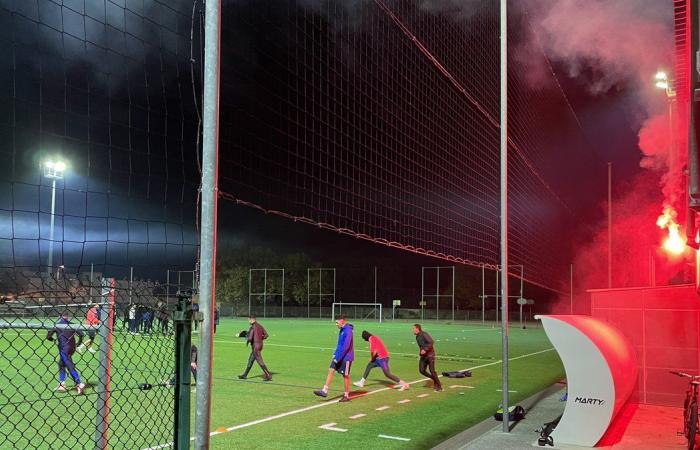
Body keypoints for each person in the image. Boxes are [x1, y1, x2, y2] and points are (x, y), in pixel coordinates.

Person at [314, 315, 354, 402]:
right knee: (331, 369)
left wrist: (338, 358)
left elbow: (346, 347)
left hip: (346, 358)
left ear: (342, 321)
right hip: (339, 356)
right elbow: (339, 344)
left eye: (337, 322)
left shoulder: (348, 331)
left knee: (345, 376)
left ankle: (346, 396)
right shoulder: (342, 330)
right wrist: (335, 354)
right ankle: (324, 390)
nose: (336, 324)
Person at [46, 312, 86, 394]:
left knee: (68, 364)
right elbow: (82, 334)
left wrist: (53, 339)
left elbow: (48, 337)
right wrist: (78, 343)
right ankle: (62, 384)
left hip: (64, 348)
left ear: (60, 316)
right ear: (68, 316)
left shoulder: (56, 325)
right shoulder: (73, 325)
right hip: (72, 348)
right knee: (61, 363)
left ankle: (79, 383)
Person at [238, 315, 272, 381]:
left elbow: (250, 338)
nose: (248, 321)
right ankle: (245, 375)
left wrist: (245, 337)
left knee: (259, 361)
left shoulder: (253, 327)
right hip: (260, 345)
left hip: (255, 346)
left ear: (252, 319)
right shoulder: (260, 326)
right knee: (251, 360)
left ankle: (268, 375)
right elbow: (266, 335)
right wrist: (260, 338)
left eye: (249, 320)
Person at [413, 324, 442, 391]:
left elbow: (431, 342)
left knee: (432, 371)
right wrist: (421, 352)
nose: (412, 330)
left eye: (413, 328)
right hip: (423, 356)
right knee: (422, 370)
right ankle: (434, 379)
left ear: (417, 329)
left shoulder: (424, 334)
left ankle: (439, 386)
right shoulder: (417, 336)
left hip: (430, 355)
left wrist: (425, 349)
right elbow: (421, 346)